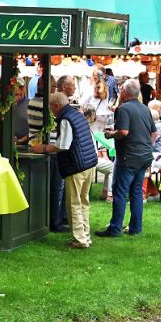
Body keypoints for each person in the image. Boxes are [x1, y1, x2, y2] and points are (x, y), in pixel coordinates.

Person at [32, 93, 97, 249]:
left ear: (56, 106)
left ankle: (80, 239)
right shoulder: (77, 114)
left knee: (73, 203)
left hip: (76, 165)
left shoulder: (65, 119)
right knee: (83, 202)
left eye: (51, 107)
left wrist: (43, 148)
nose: (50, 110)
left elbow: (63, 145)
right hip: (89, 163)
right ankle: (85, 235)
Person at [96, 80, 156, 238]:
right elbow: (154, 133)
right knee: (136, 192)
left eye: (121, 89)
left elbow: (123, 132)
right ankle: (135, 228)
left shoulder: (123, 109)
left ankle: (115, 228)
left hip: (128, 157)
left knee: (120, 192)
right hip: (144, 156)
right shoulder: (145, 108)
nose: (119, 92)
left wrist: (110, 134)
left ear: (125, 92)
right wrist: (144, 145)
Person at [30, 79, 67, 233]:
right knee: (56, 187)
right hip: (48, 148)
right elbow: (53, 127)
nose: (56, 90)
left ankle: (56, 218)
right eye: (55, 87)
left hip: (36, 145)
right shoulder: (45, 105)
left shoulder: (32, 102)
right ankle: (55, 221)